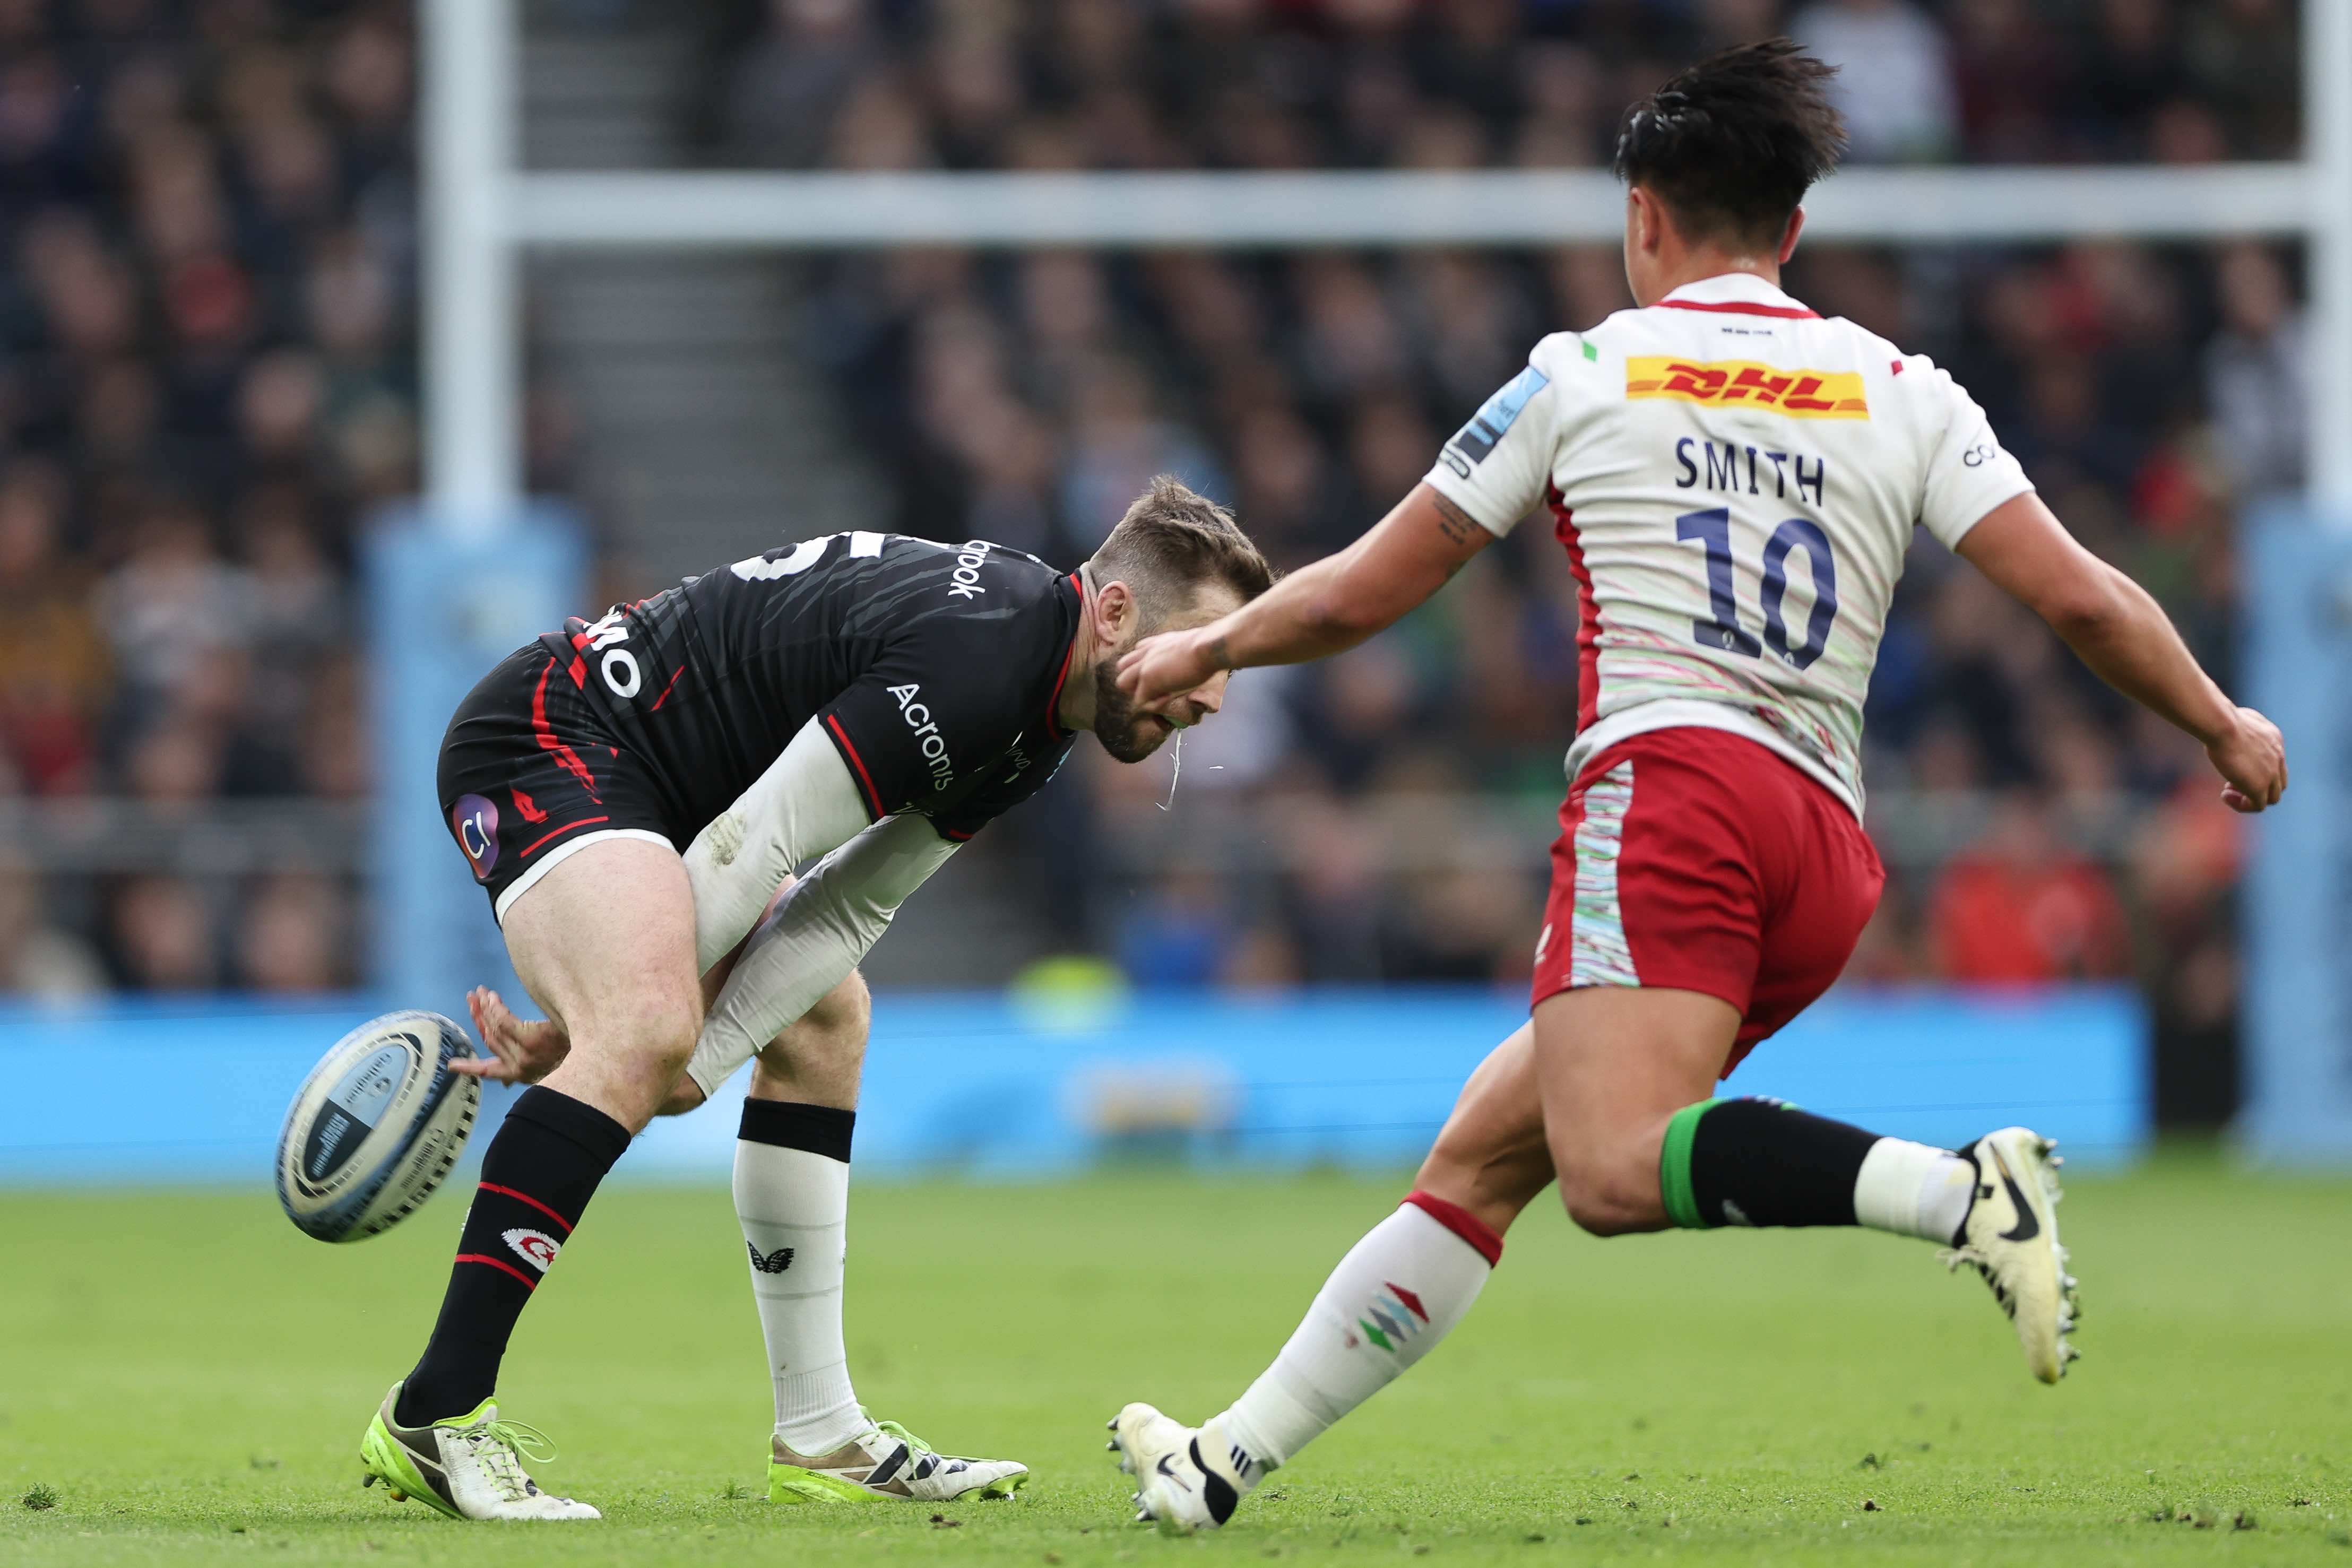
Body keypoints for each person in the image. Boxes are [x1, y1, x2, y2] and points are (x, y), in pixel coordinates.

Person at [1104, 41, 2287, 1533]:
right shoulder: (1901, 387)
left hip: (1672, 799)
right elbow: (2088, 602)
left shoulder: (1583, 371)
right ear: (1791, 231)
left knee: (1606, 1169)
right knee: (1484, 1155)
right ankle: (1223, 1463)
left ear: (1644, 215)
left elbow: (1360, 593)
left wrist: (1204, 644)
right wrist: (2221, 720)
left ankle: (1959, 1191)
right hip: (1824, 850)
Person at [359, 476, 1274, 1521]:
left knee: (827, 1021)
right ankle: (435, 1413)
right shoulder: (982, 655)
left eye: (1226, 668)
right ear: (1113, 614)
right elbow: (762, 843)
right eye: (1202, 654)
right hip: (549, 731)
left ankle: (822, 1432)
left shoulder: (1037, 713)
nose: (1210, 696)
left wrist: (691, 1061)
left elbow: (847, 909)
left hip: (663, 787)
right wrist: (617, 1029)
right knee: (643, 1027)